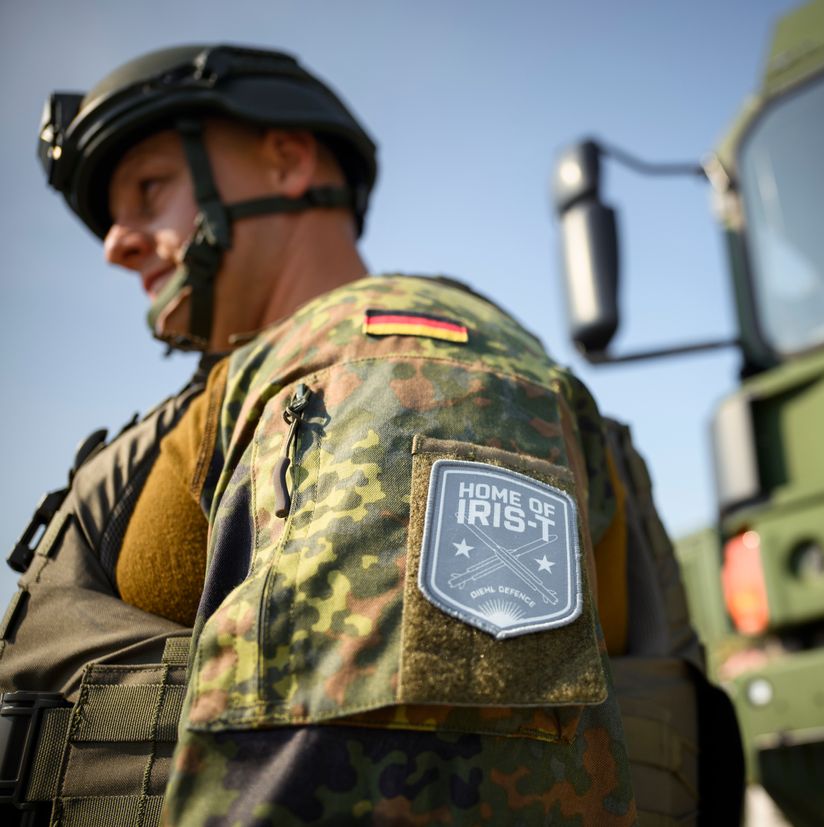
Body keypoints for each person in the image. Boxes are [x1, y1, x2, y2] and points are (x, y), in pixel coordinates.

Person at [0, 45, 742, 825]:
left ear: (286, 161)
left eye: (150, 190)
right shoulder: (264, 388)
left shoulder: (394, 368)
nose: (116, 242)